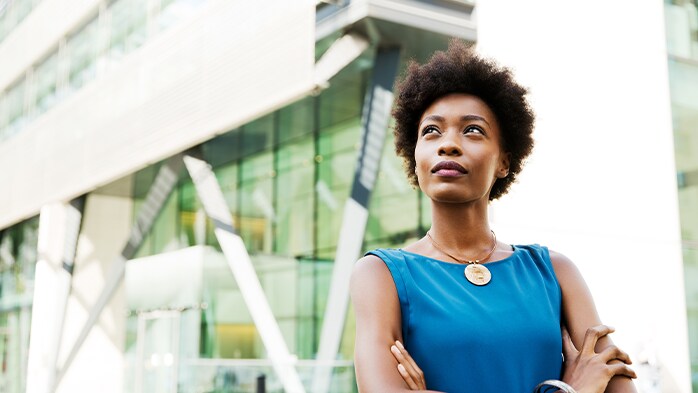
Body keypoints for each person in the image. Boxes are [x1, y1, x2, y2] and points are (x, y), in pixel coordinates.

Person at [350, 40, 637, 393]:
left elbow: (618, 383)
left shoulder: (555, 271)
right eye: (431, 131)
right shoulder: (381, 275)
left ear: (503, 161)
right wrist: (568, 390)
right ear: (415, 156)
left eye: (472, 130)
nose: (448, 144)